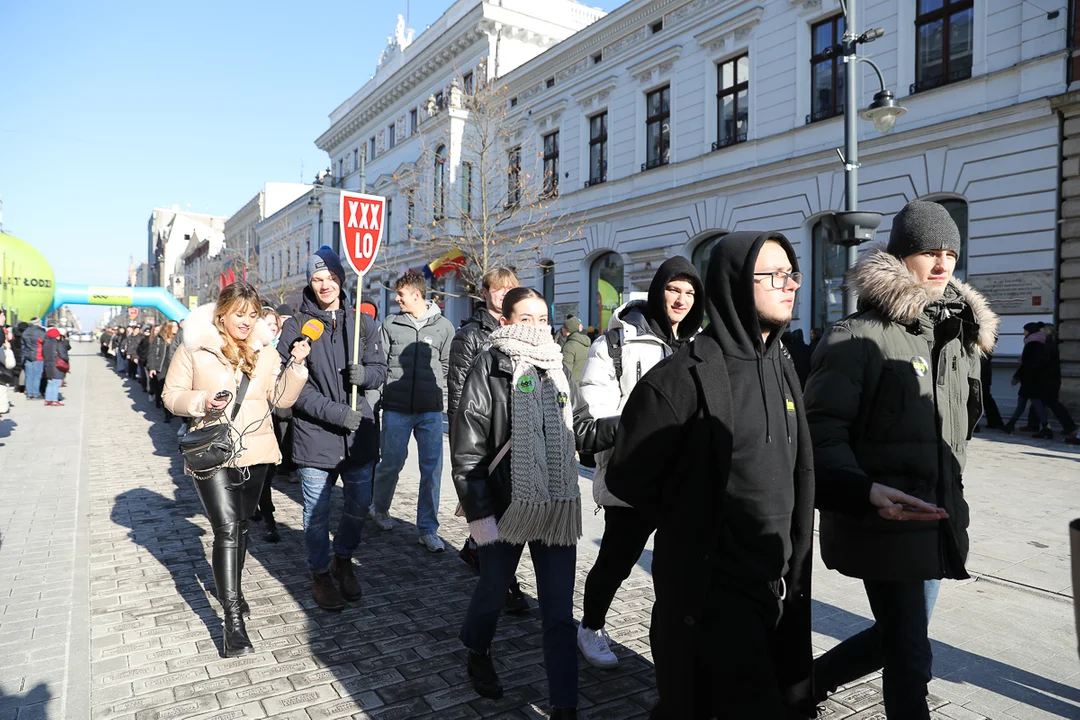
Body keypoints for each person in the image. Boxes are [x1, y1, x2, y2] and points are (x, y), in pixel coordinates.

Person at [805, 200, 999, 719]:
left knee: (896, 636)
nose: (941, 264)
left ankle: (804, 685)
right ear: (900, 255)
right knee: (912, 655)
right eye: (928, 252)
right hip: (883, 516)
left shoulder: (961, 336)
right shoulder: (856, 335)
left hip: (935, 514)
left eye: (949, 253)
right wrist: (862, 490)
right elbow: (821, 434)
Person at [451, 287, 618, 719]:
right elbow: (469, 451)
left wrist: (626, 422)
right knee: (492, 591)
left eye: (543, 318)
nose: (538, 327)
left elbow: (580, 430)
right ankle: (476, 648)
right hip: (506, 506)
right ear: (506, 322)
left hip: (556, 504)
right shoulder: (489, 366)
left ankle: (564, 704)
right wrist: (480, 518)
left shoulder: (558, 367)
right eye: (527, 318)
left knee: (559, 613)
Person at [163, 282, 309, 657]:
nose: (246, 321)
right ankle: (232, 622)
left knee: (242, 528)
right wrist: (201, 401)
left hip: (256, 451)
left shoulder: (265, 351)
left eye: (252, 314)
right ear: (222, 314)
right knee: (226, 530)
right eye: (239, 314)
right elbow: (170, 395)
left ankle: (235, 591)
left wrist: (296, 367)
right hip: (212, 452)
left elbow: (281, 401)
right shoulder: (195, 347)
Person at [575, 256, 703, 670]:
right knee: (617, 560)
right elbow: (591, 419)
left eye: (689, 292)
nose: (681, 299)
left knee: (680, 571)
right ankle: (591, 626)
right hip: (635, 475)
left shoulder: (704, 345)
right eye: (673, 290)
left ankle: (673, 647)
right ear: (657, 290)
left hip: (686, 480)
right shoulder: (616, 343)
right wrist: (646, 424)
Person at [278, 247, 388, 611]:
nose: (325, 285)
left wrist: (366, 375)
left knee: (359, 505)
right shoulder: (297, 326)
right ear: (309, 284)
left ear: (341, 280)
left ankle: (343, 557)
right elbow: (293, 387)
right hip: (316, 436)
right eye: (317, 279)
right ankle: (320, 574)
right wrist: (336, 413)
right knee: (316, 512)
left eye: (330, 278)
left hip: (360, 437)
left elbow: (380, 369)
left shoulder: (364, 323)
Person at [446, 266, 528, 611]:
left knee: (503, 511)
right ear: (485, 292)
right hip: (483, 437)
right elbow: (458, 394)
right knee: (493, 510)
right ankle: (503, 583)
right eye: (498, 289)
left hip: (515, 436)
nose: (504, 294)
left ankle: (474, 549)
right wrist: (462, 443)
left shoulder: (523, 329)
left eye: (510, 288)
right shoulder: (471, 335)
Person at [370, 271, 455, 552]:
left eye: (401, 294)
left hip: (430, 410)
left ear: (416, 295)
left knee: (432, 469)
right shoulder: (391, 323)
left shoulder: (444, 327)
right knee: (390, 464)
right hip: (395, 408)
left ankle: (427, 529)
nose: (397, 299)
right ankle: (379, 509)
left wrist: (436, 394)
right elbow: (380, 363)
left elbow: (445, 366)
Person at [252, 307, 283, 541]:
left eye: (274, 324)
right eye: (267, 323)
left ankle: (258, 508)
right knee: (261, 473)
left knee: (268, 473)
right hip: (255, 419)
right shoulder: (253, 350)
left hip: (279, 418)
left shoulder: (284, 347)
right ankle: (269, 519)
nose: (271, 327)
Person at [1004, 322, 1052, 438]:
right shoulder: (1041, 343)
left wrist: (1016, 377)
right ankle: (1011, 424)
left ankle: (1046, 428)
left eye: (1025, 330)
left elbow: (1027, 364)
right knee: (1025, 403)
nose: (1023, 333)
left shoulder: (1032, 344)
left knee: (1034, 403)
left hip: (1030, 379)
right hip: (1034, 379)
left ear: (1030, 331)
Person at [42, 328, 69, 406]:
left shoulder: (46, 343)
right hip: (56, 366)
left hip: (48, 365)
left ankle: (48, 399)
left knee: (50, 383)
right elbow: (63, 355)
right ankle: (54, 400)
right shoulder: (58, 344)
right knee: (56, 383)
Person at [20, 319, 46, 400]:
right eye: (40, 322)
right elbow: (44, 342)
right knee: (37, 376)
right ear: (37, 323)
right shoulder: (40, 332)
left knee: (29, 376)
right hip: (38, 356)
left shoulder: (25, 331)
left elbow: (23, 345)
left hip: (27, 356)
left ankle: (29, 393)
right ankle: (35, 393)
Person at [559, 316, 590, 383]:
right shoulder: (586, 343)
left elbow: (566, 370)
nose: (562, 330)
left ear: (567, 330)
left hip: (573, 385)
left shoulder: (569, 346)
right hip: (585, 382)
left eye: (563, 328)